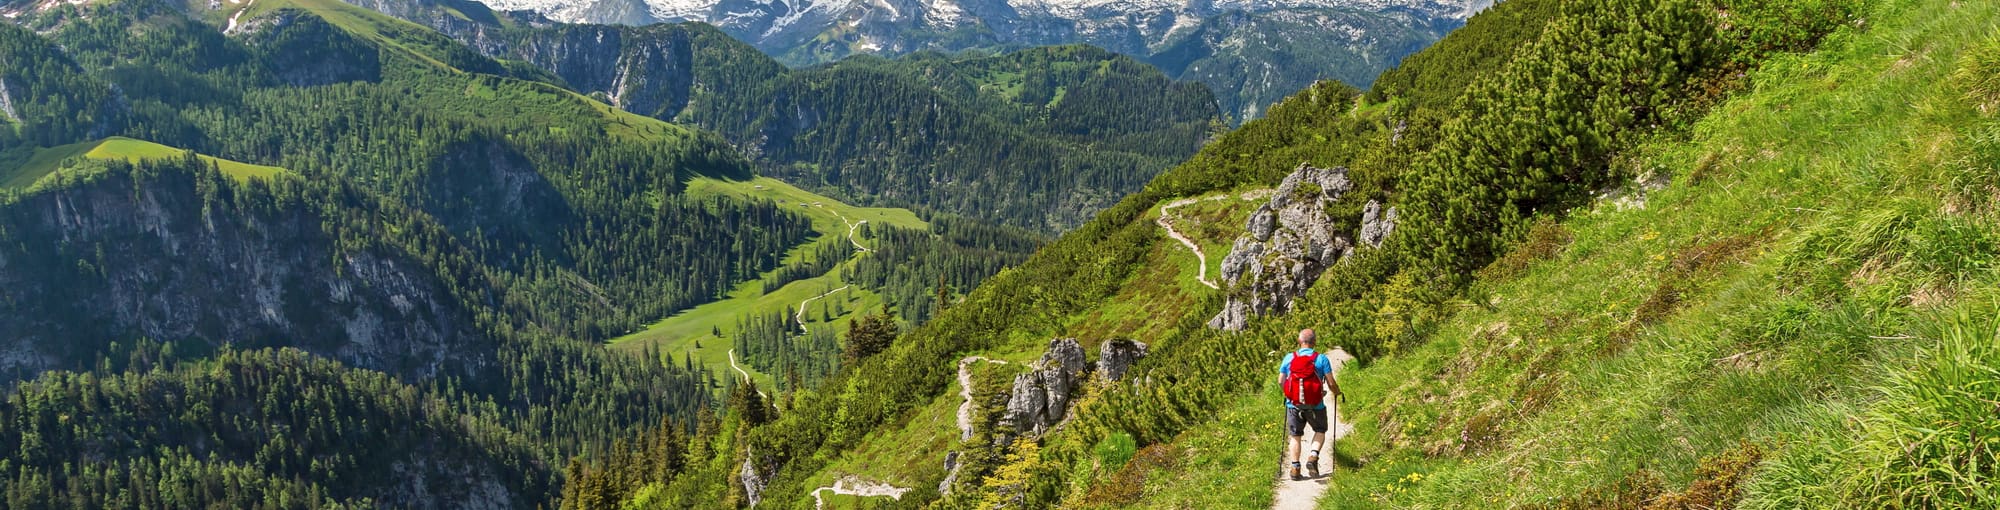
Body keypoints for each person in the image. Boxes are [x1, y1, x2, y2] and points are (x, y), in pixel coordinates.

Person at [1280, 328, 1342, 480]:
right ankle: (1313, 457)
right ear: (1314, 342)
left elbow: (1280, 381)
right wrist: (1337, 393)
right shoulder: (1321, 359)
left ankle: (1295, 469)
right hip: (1316, 405)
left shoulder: (1289, 358)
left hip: (1293, 405)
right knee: (1320, 429)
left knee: (1295, 435)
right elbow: (1331, 382)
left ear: (1299, 341)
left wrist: (1289, 394)